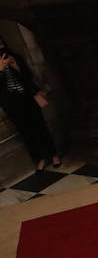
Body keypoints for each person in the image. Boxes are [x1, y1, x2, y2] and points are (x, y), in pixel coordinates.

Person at [0, 40, 60, 170]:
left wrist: (15, 65)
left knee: (41, 127)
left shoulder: (14, 56)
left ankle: (54, 154)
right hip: (11, 104)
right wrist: (0, 69)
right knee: (26, 133)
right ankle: (39, 159)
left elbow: (28, 76)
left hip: (27, 98)